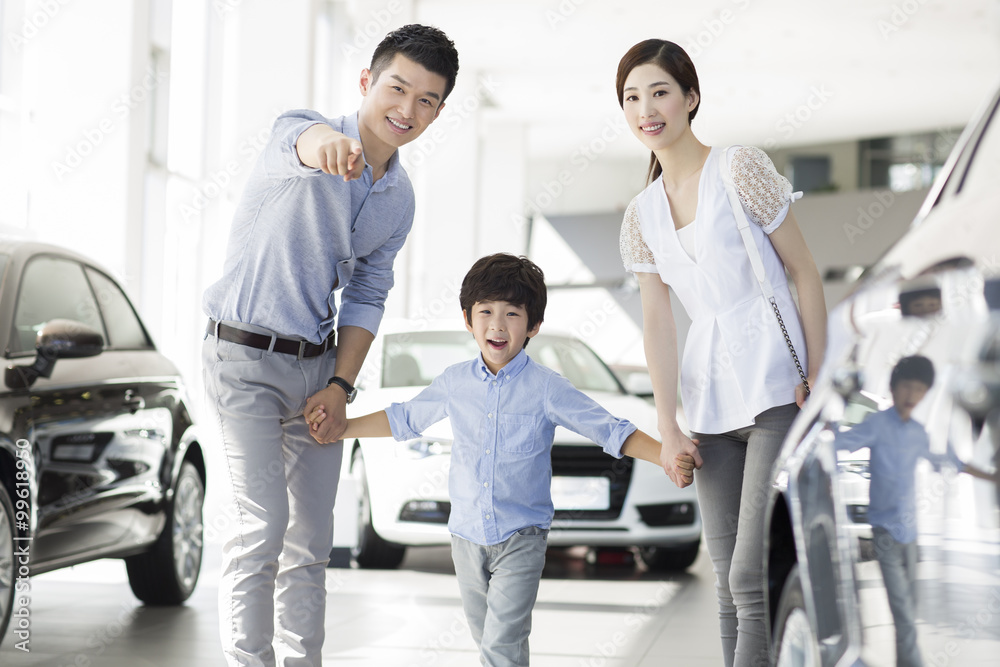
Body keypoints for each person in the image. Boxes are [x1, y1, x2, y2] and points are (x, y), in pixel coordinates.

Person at [201, 24, 459, 667]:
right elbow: (307, 142)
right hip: (243, 360)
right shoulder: (304, 129)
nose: (407, 110)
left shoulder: (399, 199)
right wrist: (332, 148)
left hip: (317, 372)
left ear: (439, 111)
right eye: (397, 89)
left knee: (312, 541)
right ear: (367, 82)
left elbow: (367, 295)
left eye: (426, 100)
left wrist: (341, 387)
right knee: (261, 529)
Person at [308, 253, 696, 667]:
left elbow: (610, 429)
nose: (497, 324)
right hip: (465, 538)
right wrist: (342, 427)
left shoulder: (547, 387)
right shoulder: (455, 382)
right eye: (486, 311)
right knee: (495, 642)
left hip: (521, 538)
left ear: (533, 326)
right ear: (467, 319)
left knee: (501, 644)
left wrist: (666, 457)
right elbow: (404, 418)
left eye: (512, 314)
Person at [615, 39, 828, 667]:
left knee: (748, 572)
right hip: (708, 402)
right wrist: (667, 423)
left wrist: (816, 372)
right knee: (726, 583)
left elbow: (804, 272)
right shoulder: (641, 215)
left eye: (659, 92)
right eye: (631, 97)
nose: (645, 108)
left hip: (774, 387)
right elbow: (658, 323)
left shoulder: (739, 168)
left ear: (690, 98)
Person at [836, 355, 995, 667]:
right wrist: (826, 428)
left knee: (908, 615)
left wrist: (992, 476)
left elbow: (951, 462)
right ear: (894, 389)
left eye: (920, 389)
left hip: (911, 535)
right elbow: (839, 443)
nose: (912, 395)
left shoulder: (919, 433)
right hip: (884, 534)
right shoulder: (878, 425)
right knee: (905, 617)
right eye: (907, 387)